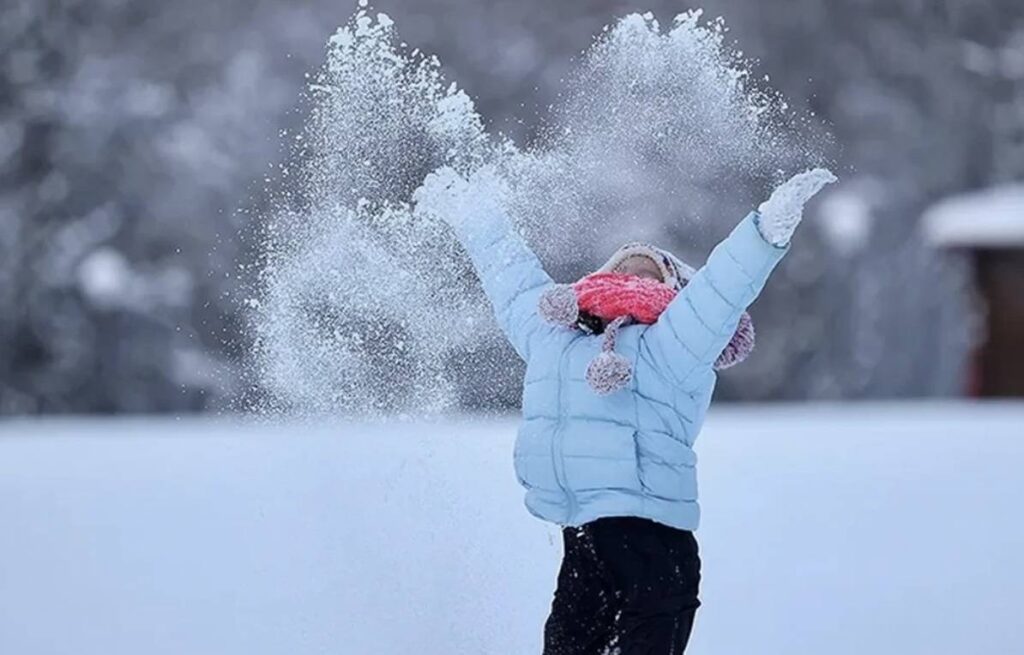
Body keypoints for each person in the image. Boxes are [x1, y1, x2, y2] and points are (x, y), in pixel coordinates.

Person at [414, 166, 836, 654]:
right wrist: (474, 215)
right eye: (623, 268)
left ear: (676, 292)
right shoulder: (555, 335)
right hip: (585, 541)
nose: (633, 275)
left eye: (650, 271)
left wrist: (765, 231)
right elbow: (512, 279)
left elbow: (721, 290)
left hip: (656, 547)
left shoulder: (675, 342)